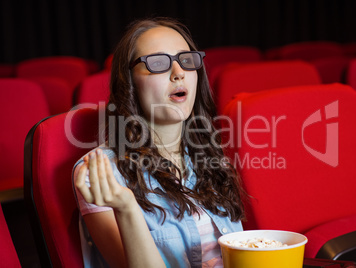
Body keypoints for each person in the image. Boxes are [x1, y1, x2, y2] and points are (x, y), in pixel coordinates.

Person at [73, 17, 245, 268]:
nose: (179, 73)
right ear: (129, 82)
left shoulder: (206, 153)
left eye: (186, 60)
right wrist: (127, 209)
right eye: (157, 64)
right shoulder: (100, 172)